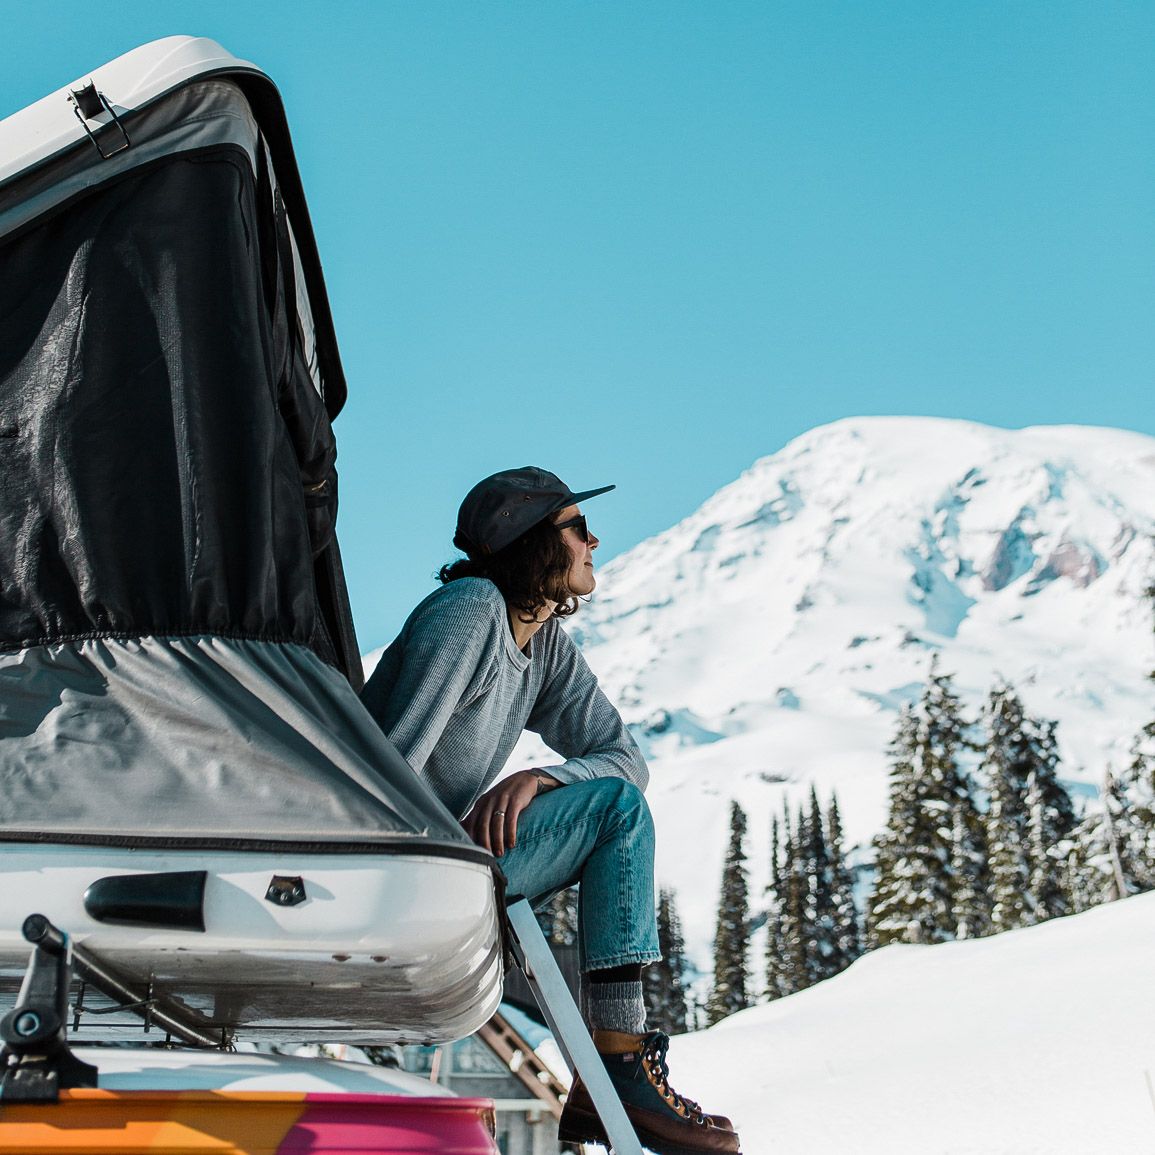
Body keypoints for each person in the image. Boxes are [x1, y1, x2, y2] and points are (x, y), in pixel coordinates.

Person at [362, 466, 740, 1155]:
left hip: (448, 860)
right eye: (577, 527)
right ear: (532, 540)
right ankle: (619, 1071)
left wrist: (543, 777)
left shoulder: (543, 645)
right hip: (395, 867)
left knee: (617, 804)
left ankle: (615, 1071)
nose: (594, 541)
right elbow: (386, 769)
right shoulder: (469, 610)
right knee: (614, 809)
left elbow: (624, 759)